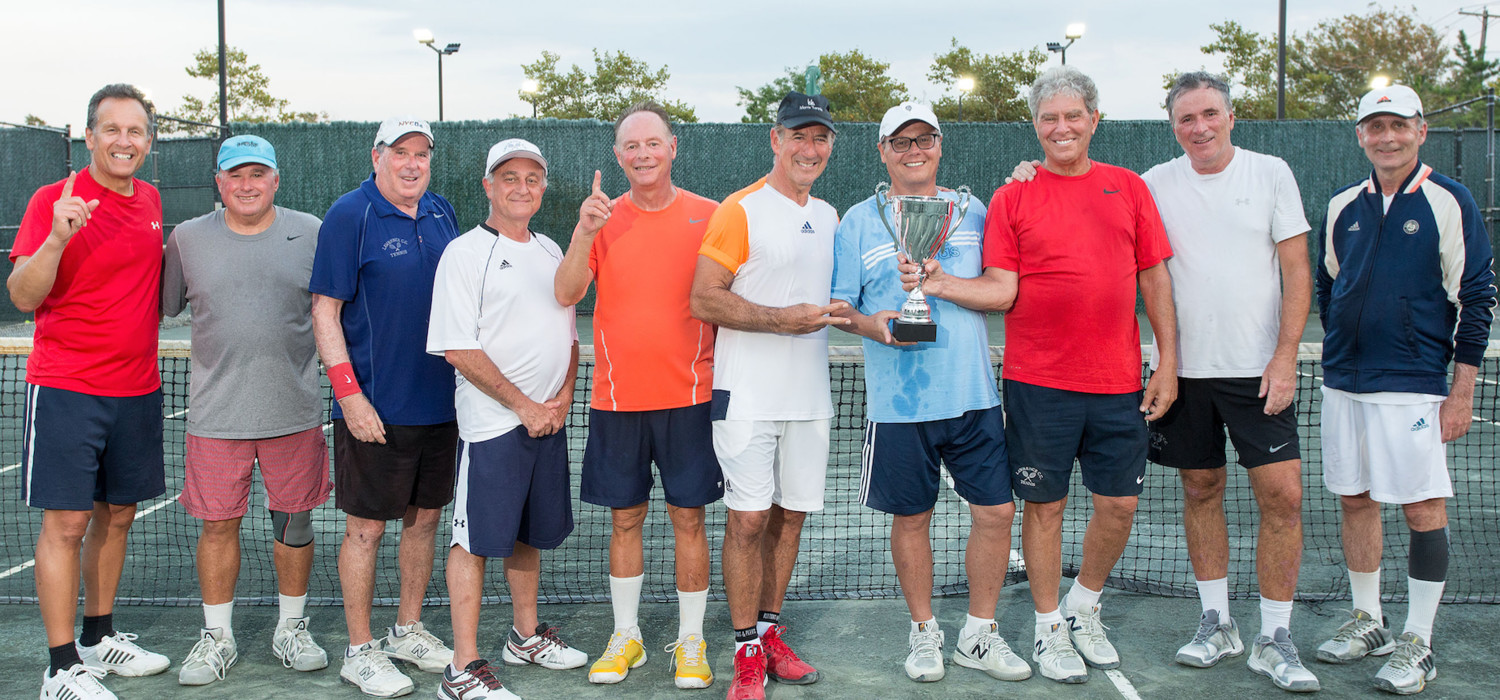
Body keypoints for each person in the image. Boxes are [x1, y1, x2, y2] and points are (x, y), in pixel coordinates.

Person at [1012, 71, 1318, 690]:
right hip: (1172, 377)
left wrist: (1286, 355)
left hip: (1257, 371)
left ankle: (1275, 635)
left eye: (1210, 114)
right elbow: (1077, 197)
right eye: (1186, 119)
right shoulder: (1152, 183)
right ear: (1172, 126)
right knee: (1200, 490)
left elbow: (1296, 269)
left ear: (1231, 116)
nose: (1199, 127)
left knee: (1283, 497)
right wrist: (1028, 171)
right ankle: (1216, 621)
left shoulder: (1271, 173)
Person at [984, 66, 1177, 684]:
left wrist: (1167, 362)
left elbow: (1155, 278)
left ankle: (1084, 606)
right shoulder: (1012, 195)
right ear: (1035, 126)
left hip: (1119, 381)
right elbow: (1000, 286)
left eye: (1073, 116)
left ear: (1095, 121)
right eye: (1049, 118)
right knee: (1044, 507)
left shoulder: (1129, 188)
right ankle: (1047, 629)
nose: (1061, 127)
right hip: (1038, 382)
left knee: (1118, 504)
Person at [830, 102, 1029, 685]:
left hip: (974, 399)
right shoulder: (858, 220)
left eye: (925, 140)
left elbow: (1002, 293)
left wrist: (943, 283)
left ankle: (979, 634)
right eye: (901, 142)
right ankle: (923, 631)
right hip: (899, 406)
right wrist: (878, 325)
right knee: (912, 519)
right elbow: (842, 309)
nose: (914, 151)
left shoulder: (975, 212)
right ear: (883, 151)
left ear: (940, 146)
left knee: (997, 512)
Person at [1314, 84, 1495, 696]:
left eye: (1398, 125)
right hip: (1342, 382)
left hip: (1413, 384)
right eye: (1374, 126)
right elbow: (1328, 286)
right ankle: (1371, 621)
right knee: (1355, 499)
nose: (1386, 136)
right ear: (1360, 135)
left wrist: (1461, 390)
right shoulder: (1342, 204)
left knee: (1422, 508)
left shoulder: (1450, 200)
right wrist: (1339, 345)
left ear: (1420, 130)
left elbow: (1476, 298)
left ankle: (1418, 640)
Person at [8, 83, 170, 700]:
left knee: (119, 514)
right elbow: (23, 296)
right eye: (112, 130)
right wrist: (57, 238)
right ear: (89, 136)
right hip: (68, 387)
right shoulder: (55, 200)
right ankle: (60, 668)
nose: (124, 141)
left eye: (135, 132)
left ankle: (99, 638)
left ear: (148, 143)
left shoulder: (152, 200)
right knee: (68, 523)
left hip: (138, 389)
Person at [553, 101, 721, 690]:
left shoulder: (712, 215)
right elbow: (567, 291)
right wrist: (584, 231)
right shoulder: (601, 220)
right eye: (631, 146)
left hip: (691, 401)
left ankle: (692, 641)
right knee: (625, 522)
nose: (644, 154)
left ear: (673, 148)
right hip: (616, 403)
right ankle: (627, 636)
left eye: (654, 143)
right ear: (618, 156)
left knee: (689, 520)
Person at [689, 91, 849, 700]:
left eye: (821, 138)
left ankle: (771, 630)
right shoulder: (740, 210)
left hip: (809, 397)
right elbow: (705, 297)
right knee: (749, 519)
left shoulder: (831, 215)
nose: (810, 149)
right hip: (747, 395)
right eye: (798, 136)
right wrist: (782, 319)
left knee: (792, 515)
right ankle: (745, 650)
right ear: (775, 141)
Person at [161, 135, 331, 686]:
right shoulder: (186, 239)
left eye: (258, 174)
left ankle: (291, 627)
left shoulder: (310, 231)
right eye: (235, 175)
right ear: (219, 183)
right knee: (217, 526)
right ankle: (218, 637)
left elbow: (334, 313)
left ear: (276, 180)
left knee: (295, 520)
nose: (247, 185)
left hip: (295, 412)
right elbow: (162, 307)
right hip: (216, 416)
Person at [428, 138, 587, 700]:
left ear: (543, 187)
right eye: (510, 177)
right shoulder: (465, 253)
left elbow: (568, 333)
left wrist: (563, 397)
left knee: (528, 536)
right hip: (492, 426)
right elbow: (457, 347)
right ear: (488, 185)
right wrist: (523, 405)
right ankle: (462, 668)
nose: (522, 187)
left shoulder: (550, 250)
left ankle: (524, 636)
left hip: (547, 422)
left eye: (532, 178)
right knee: (473, 542)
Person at [310, 117, 458, 697]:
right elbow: (325, 310)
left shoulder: (442, 211)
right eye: (401, 152)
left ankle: (406, 629)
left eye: (422, 153)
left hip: (442, 405)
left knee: (424, 522)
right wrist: (349, 396)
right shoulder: (351, 215)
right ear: (378, 157)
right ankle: (360, 649)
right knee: (366, 530)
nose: (413, 163)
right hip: (375, 407)